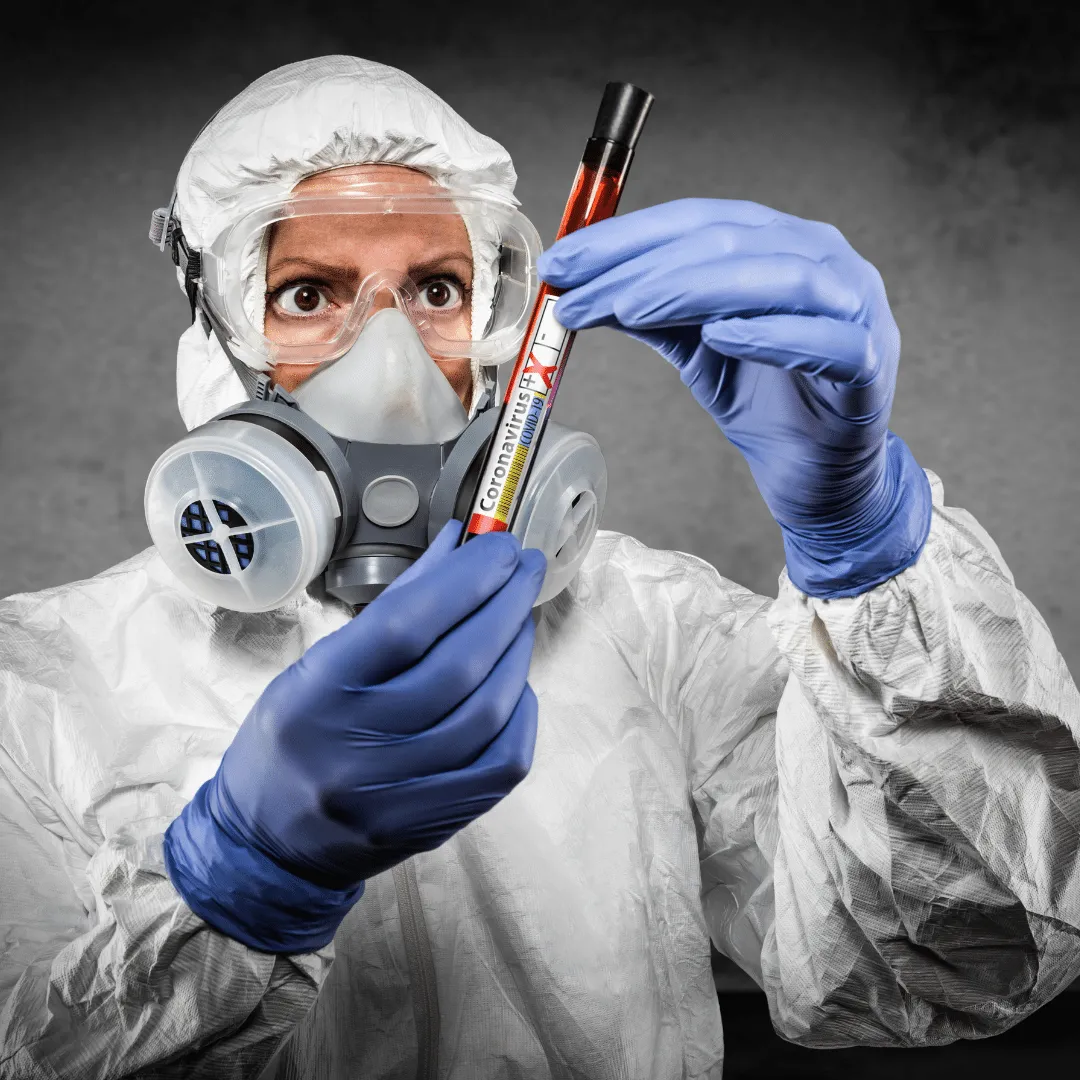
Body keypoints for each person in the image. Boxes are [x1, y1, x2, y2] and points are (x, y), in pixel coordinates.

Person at [1, 54, 1078, 1080]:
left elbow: (954, 966)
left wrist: (866, 548)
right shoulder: (40, 688)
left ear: (498, 318)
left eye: (435, 290)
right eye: (307, 296)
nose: (391, 364)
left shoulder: (650, 629)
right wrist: (239, 883)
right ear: (214, 328)